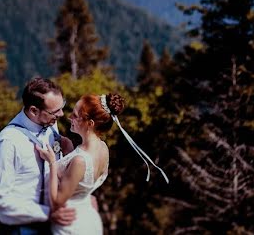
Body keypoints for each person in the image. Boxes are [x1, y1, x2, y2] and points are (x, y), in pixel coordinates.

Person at [37, 93, 169, 235]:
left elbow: (57, 201)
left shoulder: (80, 160)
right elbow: (80, 183)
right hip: (88, 218)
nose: (69, 117)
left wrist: (52, 163)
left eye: (75, 115)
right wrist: (68, 148)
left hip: (71, 225)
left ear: (90, 123)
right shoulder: (103, 148)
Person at [0, 77, 76, 234]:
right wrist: (46, 213)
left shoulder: (50, 124)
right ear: (34, 111)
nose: (62, 114)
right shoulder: (9, 142)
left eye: (62, 106)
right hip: (22, 228)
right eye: (55, 111)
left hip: (54, 225)